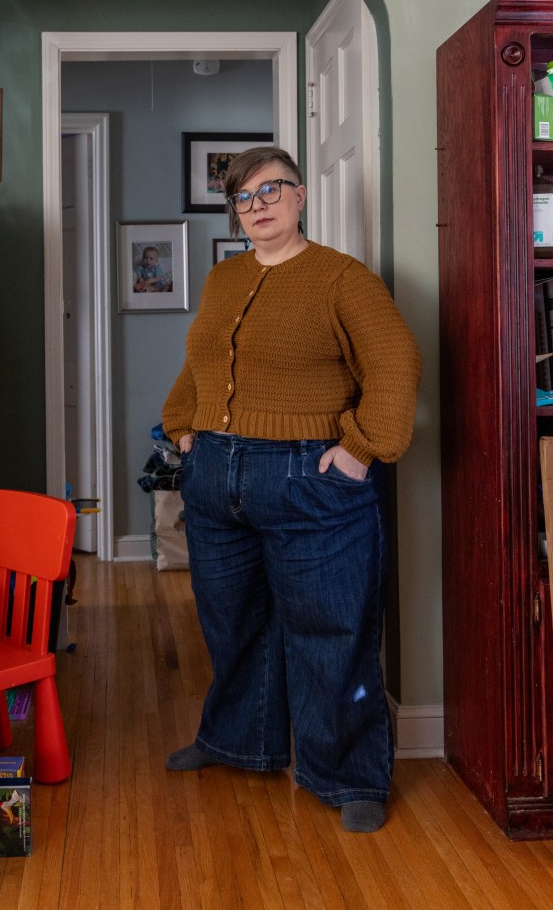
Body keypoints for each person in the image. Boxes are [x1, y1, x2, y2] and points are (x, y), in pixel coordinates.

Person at [161, 146, 422, 834]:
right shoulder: (223, 278)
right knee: (232, 620)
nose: (258, 205)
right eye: (244, 197)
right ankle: (237, 741)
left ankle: (349, 775)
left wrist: (361, 450)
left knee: (332, 629)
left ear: (300, 195)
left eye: (271, 189)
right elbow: (201, 362)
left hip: (309, 478)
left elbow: (395, 361)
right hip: (217, 477)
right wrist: (182, 427)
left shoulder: (342, 277)